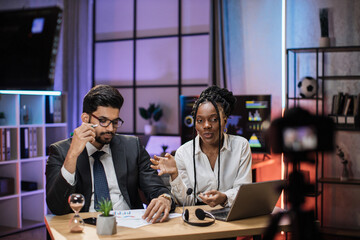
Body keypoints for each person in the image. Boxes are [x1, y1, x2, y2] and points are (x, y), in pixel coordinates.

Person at [46, 85, 175, 223]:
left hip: (130, 225)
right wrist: (72, 155)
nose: (110, 128)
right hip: (85, 226)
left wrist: (164, 198)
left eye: (115, 122)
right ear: (85, 118)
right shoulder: (61, 151)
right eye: (103, 121)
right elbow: (57, 207)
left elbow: (156, 188)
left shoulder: (132, 147)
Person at [151, 86, 252, 207]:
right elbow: (186, 203)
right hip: (198, 219)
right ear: (195, 124)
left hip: (231, 218)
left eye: (213, 119)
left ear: (225, 120)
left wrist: (224, 198)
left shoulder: (241, 146)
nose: (206, 125)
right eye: (200, 120)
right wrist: (174, 175)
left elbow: (244, 192)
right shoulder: (183, 153)